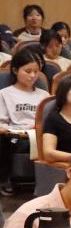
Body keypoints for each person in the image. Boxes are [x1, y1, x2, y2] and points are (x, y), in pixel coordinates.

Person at [0, 51, 48, 195]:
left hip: (39, 134)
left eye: (36, 72)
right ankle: (4, 180)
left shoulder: (44, 95)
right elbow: (2, 123)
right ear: (15, 70)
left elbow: (50, 120)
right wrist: (11, 131)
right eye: (28, 71)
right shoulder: (4, 94)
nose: (32, 76)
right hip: (15, 135)